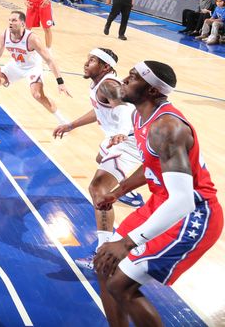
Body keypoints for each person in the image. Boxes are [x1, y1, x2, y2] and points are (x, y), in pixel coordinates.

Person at [94, 61, 222, 327]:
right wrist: (119, 191)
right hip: (162, 202)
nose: (125, 81)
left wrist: (127, 242)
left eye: (133, 77)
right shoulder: (138, 115)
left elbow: (183, 200)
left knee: (121, 285)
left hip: (194, 215)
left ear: (152, 90)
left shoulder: (167, 127)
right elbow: (152, 165)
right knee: (103, 264)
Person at [53, 48, 144, 271]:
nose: (86, 63)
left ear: (105, 67)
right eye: (88, 58)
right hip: (120, 138)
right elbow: (98, 110)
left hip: (127, 140)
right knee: (100, 157)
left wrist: (120, 132)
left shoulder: (108, 84)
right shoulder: (99, 84)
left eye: (92, 60)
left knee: (98, 189)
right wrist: (71, 124)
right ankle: (129, 191)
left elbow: (122, 109)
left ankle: (103, 252)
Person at [0, 10, 70, 122]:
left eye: (14, 20)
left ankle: (63, 122)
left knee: (37, 95)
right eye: (9, 20)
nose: (10, 23)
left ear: (23, 24)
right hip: (16, 65)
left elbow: (50, 60)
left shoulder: (32, 38)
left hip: (32, 68)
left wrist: (60, 82)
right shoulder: (4, 35)